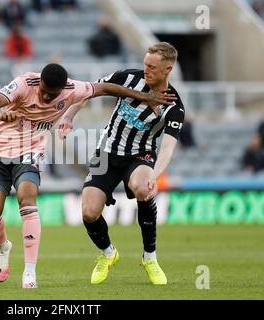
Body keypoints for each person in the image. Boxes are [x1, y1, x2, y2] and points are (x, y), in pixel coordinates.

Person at [0, 63, 175, 288]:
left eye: (51, 95)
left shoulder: (73, 89)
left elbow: (106, 89)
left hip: (29, 152)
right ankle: (4, 246)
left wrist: (143, 96)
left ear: (62, 90)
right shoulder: (25, 84)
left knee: (27, 197)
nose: (44, 96)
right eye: (43, 90)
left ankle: (29, 273)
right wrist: (2, 114)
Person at [59, 42, 184, 286]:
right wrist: (69, 115)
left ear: (167, 69)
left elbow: (168, 147)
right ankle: (108, 253)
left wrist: (155, 175)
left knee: (144, 188)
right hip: (106, 153)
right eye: (144, 64)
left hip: (140, 155)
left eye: (151, 67)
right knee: (88, 212)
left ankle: (150, 258)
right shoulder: (127, 78)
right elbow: (91, 90)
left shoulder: (173, 106)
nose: (145, 70)